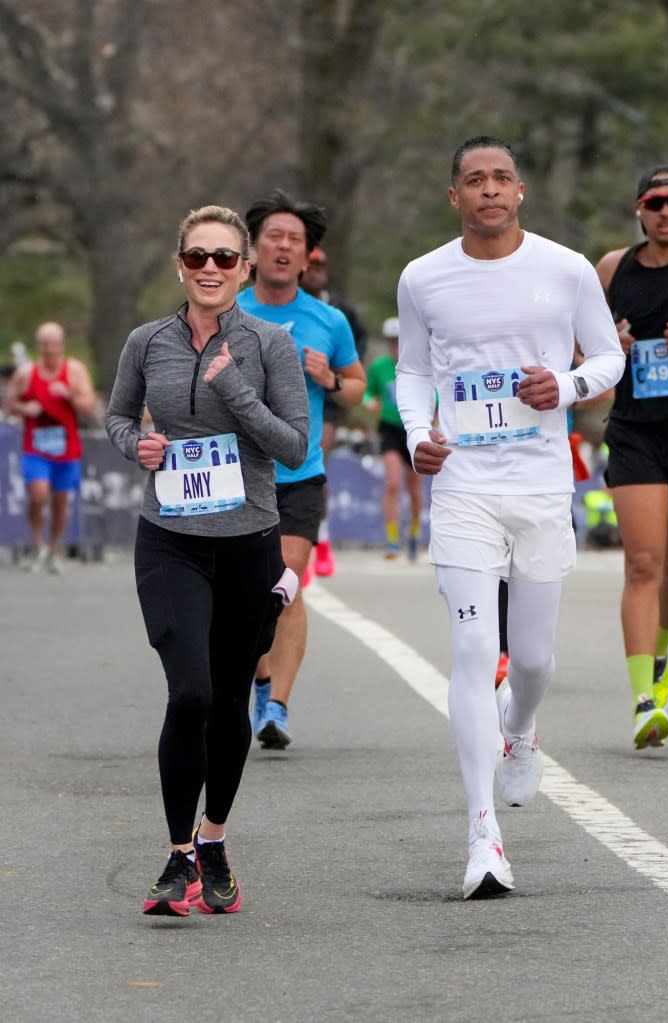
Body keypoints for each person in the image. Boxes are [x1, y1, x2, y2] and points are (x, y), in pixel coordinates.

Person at [395, 135, 625, 900]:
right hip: (462, 485)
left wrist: (561, 387)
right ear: (452, 195)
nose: (488, 189)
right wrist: (418, 434)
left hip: (539, 485)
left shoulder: (563, 268)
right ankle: (481, 833)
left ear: (520, 190)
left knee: (531, 661)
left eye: (501, 177)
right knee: (470, 647)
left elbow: (607, 358)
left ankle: (520, 725)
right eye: (473, 179)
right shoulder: (423, 276)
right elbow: (415, 370)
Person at [105, 205, 309, 916]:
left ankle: (213, 839)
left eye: (226, 258)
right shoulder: (146, 341)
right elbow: (118, 418)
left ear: (246, 268)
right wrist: (140, 447)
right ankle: (175, 855)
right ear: (180, 264)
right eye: (199, 257)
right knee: (187, 690)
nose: (212, 269)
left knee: (227, 701)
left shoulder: (270, 344)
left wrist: (232, 387)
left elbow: (291, 445)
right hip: (170, 539)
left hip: (249, 539)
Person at [238, 190, 366, 749]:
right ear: (253, 248)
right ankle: (261, 680)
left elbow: (360, 388)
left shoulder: (327, 320)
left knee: (284, 585)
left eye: (295, 240)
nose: (284, 247)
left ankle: (278, 709)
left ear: (308, 254)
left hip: (298, 474)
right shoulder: (227, 310)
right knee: (242, 595)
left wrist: (331, 379)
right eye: (274, 237)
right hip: (237, 475)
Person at [595, 165, 668, 750]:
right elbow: (577, 345)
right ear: (639, 210)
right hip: (635, 431)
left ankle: (659, 655)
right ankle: (643, 700)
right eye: (656, 202)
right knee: (643, 564)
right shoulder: (612, 268)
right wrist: (610, 347)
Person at [300, 246, 368, 578]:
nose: (315, 269)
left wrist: (334, 376)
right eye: (310, 263)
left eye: (321, 264)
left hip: (326, 399)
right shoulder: (284, 304)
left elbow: (357, 350)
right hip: (285, 400)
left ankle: (318, 540)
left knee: (315, 465)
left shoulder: (340, 311)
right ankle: (295, 543)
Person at [6, 321, 97, 573]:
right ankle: (38, 544)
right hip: (36, 447)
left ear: (62, 345)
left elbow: (90, 407)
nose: (49, 350)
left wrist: (69, 394)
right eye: (45, 345)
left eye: (53, 344)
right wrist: (25, 408)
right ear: (39, 347)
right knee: (38, 494)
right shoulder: (26, 373)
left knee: (60, 502)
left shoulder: (74, 371)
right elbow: (9, 402)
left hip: (66, 449)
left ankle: (54, 547)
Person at [365, 316, 423, 560]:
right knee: (392, 483)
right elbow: (368, 391)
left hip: (413, 430)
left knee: (414, 487)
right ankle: (392, 539)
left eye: (400, 341)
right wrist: (369, 402)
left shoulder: (420, 365)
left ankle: (414, 533)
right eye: (392, 342)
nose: (396, 347)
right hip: (389, 427)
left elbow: (435, 396)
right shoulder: (380, 367)